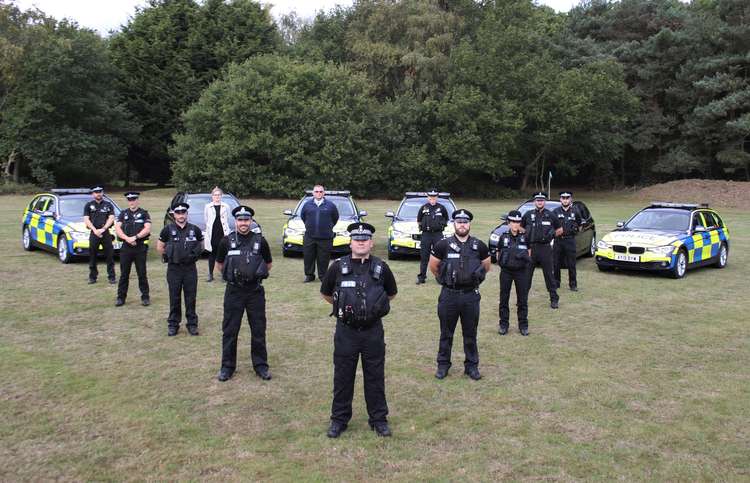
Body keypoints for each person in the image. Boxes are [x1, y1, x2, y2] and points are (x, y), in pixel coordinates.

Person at [320, 222, 397, 438]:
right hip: (346, 332)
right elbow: (327, 294)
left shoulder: (381, 267)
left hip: (373, 331)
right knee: (343, 376)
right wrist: (347, 311)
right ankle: (339, 420)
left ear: (371, 243)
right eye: (357, 239)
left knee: (375, 376)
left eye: (365, 239)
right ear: (350, 242)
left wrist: (371, 311)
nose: (361, 242)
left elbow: (391, 294)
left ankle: (379, 419)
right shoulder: (337, 266)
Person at [428, 209, 491, 381]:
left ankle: (471, 367)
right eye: (459, 221)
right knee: (446, 333)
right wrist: (446, 280)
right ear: (454, 224)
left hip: (470, 296)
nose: (462, 224)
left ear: (469, 224)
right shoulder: (443, 244)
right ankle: (443, 365)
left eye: (465, 222)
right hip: (449, 295)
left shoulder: (479, 245)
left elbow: (486, 266)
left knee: (470, 333)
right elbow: (433, 266)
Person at [215, 205, 274, 382]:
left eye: (246, 220)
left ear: (251, 221)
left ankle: (261, 366)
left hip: (254, 292)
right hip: (234, 292)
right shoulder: (226, 241)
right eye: (240, 220)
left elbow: (268, 264)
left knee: (258, 329)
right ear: (236, 221)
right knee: (230, 330)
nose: (243, 223)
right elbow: (219, 265)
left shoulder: (260, 241)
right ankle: (227, 367)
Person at [156, 203, 204, 336]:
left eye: (183, 212)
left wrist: (194, 255)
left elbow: (201, 245)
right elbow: (160, 247)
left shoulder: (195, 229)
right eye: (178, 213)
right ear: (174, 215)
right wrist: (169, 256)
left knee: (191, 297)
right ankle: (173, 324)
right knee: (174, 297)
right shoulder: (167, 229)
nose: (181, 215)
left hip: (190, 269)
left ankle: (192, 324)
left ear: (187, 214)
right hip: (174, 269)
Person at [521, 192, 562, 309]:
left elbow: (560, 229)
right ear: (534, 202)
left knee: (549, 275)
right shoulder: (528, 215)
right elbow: (520, 227)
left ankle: (554, 299)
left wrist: (552, 234)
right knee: (527, 275)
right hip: (531, 248)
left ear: (545, 202)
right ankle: (523, 299)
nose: (540, 202)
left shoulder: (551, 215)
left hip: (545, 248)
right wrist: (526, 234)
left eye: (542, 200)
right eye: (538, 200)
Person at [497, 210, 532, 336]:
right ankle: (503, 325)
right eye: (513, 222)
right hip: (506, 272)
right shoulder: (504, 236)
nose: (516, 225)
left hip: (521, 272)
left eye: (518, 222)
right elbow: (498, 254)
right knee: (504, 299)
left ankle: (523, 325)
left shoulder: (525, 237)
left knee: (522, 299)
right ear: (509, 223)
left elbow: (529, 253)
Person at [114, 191, 151, 307]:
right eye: (129, 200)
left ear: (137, 200)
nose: (132, 202)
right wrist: (127, 238)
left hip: (139, 247)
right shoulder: (123, 214)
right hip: (126, 247)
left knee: (142, 273)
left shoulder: (144, 213)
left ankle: (145, 297)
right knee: (124, 274)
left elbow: (147, 229)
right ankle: (121, 298)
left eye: (134, 199)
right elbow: (117, 228)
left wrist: (135, 237)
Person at [300, 184, 339, 283]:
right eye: (316, 191)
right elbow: (303, 216)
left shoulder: (330, 205)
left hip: (325, 238)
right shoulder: (307, 205)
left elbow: (335, 218)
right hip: (310, 236)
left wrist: (326, 227)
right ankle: (309, 275)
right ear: (313, 193)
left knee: (323, 258)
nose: (318, 193)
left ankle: (323, 276)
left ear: (324, 193)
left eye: (321, 191)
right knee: (308, 257)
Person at [83, 186, 116, 284]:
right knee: (92, 256)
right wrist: (95, 230)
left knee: (110, 256)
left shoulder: (108, 205)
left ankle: (112, 277)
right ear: (93, 194)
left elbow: (111, 217)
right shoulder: (88, 205)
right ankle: (92, 277)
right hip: (94, 233)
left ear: (102, 193)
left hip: (105, 233)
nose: (98, 194)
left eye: (100, 192)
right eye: (96, 192)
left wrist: (103, 229)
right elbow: (86, 219)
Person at [416, 189, 448, 285]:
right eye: (431, 198)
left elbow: (446, 219)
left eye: (434, 198)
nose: (432, 199)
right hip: (426, 234)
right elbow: (419, 219)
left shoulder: (442, 208)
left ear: (437, 198)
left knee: (439, 256)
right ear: (428, 198)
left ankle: (440, 277)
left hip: (438, 234)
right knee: (424, 257)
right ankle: (422, 277)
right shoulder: (423, 208)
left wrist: (441, 225)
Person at [553, 191, 582, 292]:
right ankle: (556, 283)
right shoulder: (555, 211)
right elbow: (551, 226)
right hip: (558, 241)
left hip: (570, 240)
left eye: (567, 198)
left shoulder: (575, 211)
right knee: (556, 263)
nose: (565, 200)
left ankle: (573, 284)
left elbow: (580, 225)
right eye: (563, 198)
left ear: (570, 199)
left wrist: (574, 231)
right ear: (560, 199)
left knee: (572, 264)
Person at [203, 186, 231, 282]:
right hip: (213, 233)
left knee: (223, 254)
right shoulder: (208, 206)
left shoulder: (226, 206)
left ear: (221, 196)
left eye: (219, 195)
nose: (217, 197)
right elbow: (206, 219)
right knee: (212, 253)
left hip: (223, 233)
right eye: (215, 195)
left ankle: (224, 275)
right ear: (212, 196)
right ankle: (210, 275)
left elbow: (227, 219)